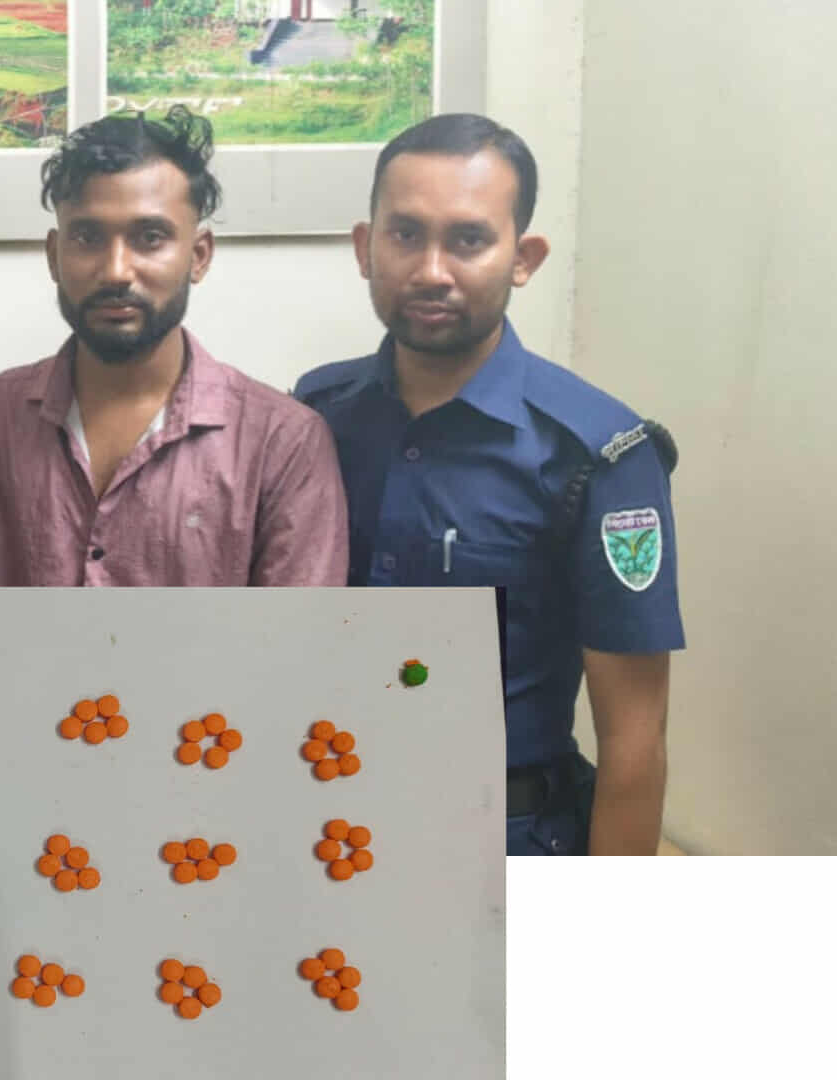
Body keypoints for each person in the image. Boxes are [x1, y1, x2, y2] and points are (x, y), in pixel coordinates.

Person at [293, 113, 683, 855]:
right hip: (324, 829)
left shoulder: (599, 453)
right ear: (365, 247)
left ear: (523, 258)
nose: (431, 270)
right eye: (405, 234)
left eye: (468, 239)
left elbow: (635, 742)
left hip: (503, 841)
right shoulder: (315, 417)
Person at [0, 106, 347, 586]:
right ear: (54, 256)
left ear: (198, 256)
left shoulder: (282, 443)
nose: (116, 270)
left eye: (150, 238)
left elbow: (297, 631)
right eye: (88, 237)